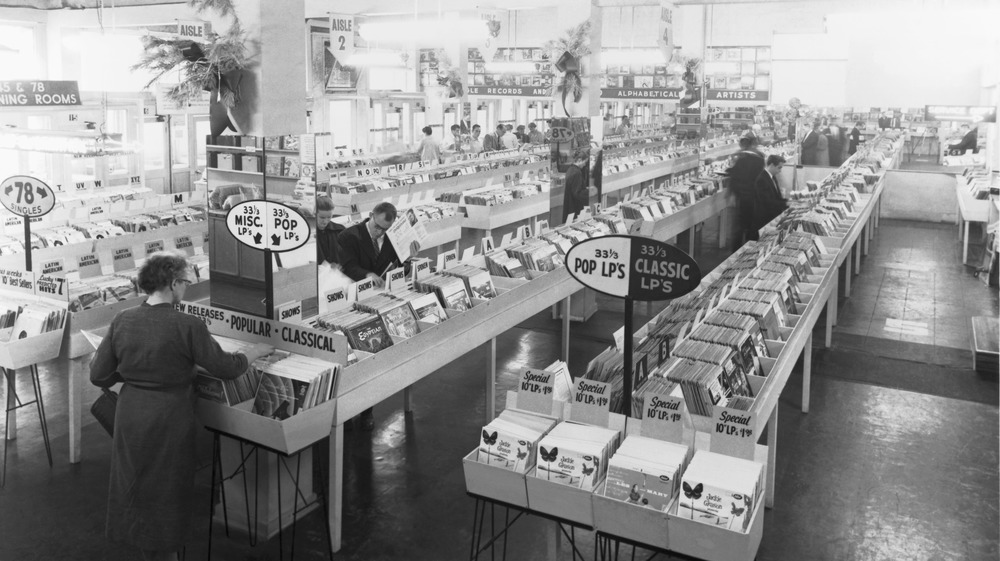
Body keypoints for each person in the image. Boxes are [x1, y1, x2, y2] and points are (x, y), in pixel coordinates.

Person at [90, 252, 274, 561]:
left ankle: (147, 549)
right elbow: (225, 367)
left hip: (131, 413)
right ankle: (168, 553)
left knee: (134, 482)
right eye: (186, 282)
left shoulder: (122, 319)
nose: (187, 288)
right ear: (174, 283)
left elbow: (99, 375)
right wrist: (254, 352)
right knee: (167, 488)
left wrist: (134, 373)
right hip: (169, 416)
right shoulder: (188, 324)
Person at [336, 202, 403, 430]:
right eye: (377, 227)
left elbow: (396, 264)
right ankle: (346, 411)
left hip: (378, 303)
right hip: (351, 302)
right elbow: (346, 266)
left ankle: (367, 410)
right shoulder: (349, 236)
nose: (380, 233)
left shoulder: (390, 236)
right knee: (352, 357)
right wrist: (367, 274)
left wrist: (408, 255)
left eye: (385, 229)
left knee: (372, 356)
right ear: (371, 216)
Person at [726, 136, 766, 247]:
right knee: (752, 225)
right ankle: (750, 249)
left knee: (739, 227)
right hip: (755, 196)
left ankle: (736, 252)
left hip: (742, 196)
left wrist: (732, 195)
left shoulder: (742, 159)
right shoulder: (760, 158)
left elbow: (734, 176)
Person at [753, 155, 788, 232]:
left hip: (773, 215)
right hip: (765, 219)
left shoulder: (772, 176)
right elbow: (768, 202)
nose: (780, 171)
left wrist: (787, 203)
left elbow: (777, 197)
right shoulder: (761, 179)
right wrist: (786, 203)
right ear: (772, 165)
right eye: (779, 167)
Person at [562, 151, 593, 223]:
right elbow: (577, 193)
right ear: (579, 160)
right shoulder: (577, 173)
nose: (585, 165)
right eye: (584, 162)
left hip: (569, 205)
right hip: (575, 207)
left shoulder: (570, 169)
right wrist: (588, 191)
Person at [316, 195, 345, 266]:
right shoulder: (309, 235)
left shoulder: (341, 231)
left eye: (329, 217)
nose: (325, 221)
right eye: (322, 217)